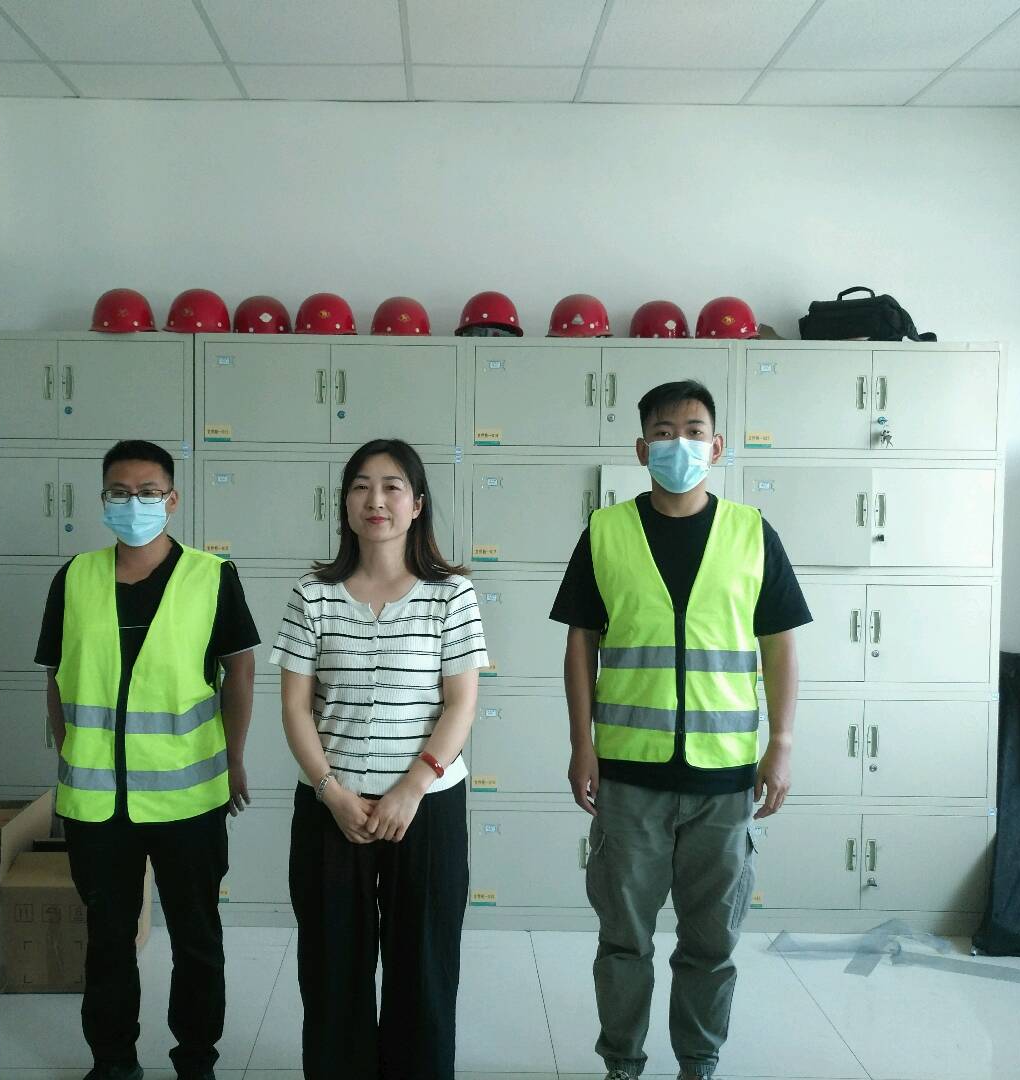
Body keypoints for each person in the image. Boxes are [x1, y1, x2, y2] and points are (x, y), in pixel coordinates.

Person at [551, 381, 811, 1080]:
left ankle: (699, 1062)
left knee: (711, 943)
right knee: (624, 941)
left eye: (694, 431)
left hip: (724, 780)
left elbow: (779, 644)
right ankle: (623, 1063)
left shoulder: (752, 533)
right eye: (664, 433)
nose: (680, 444)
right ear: (642, 450)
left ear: (716, 447)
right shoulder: (606, 532)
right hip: (629, 776)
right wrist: (581, 744)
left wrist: (781, 745)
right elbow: (581, 644)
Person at [36, 439, 258, 1080]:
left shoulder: (212, 576)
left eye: (147, 492)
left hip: (189, 797)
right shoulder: (75, 577)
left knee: (196, 936)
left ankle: (196, 1060)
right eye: (119, 492)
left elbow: (240, 671)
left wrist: (234, 759)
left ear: (172, 499)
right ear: (103, 498)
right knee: (107, 939)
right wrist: (70, 752)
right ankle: (113, 1061)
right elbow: (56, 676)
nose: (133, 503)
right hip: (97, 801)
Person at [271, 438, 488, 1080]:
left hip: (427, 807)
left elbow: (460, 705)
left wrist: (411, 789)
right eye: (361, 486)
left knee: (423, 965)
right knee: (332, 964)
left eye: (393, 486)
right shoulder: (312, 594)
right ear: (344, 503)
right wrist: (331, 791)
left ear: (417, 504)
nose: (376, 499)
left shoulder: (452, 595)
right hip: (332, 809)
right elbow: (295, 708)